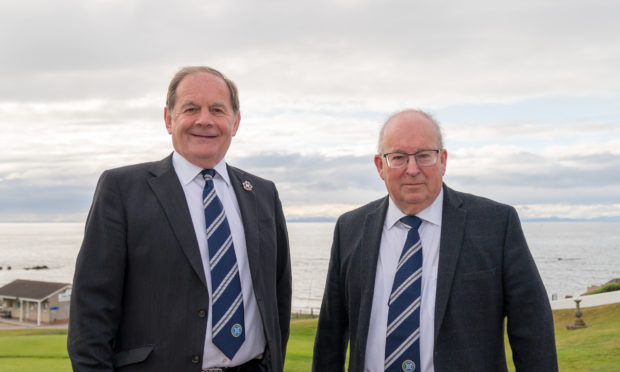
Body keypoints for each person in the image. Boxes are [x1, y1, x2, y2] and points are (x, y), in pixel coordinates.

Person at [68, 66, 292, 371]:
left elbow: (278, 297)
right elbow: (91, 312)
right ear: (168, 119)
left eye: (217, 109)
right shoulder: (122, 190)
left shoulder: (263, 193)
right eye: (191, 108)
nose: (204, 120)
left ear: (235, 122)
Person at [313, 110, 558, 371]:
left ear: (442, 160)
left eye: (423, 155)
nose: (412, 169)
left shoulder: (496, 224)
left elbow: (532, 329)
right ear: (380, 166)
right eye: (398, 157)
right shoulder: (350, 228)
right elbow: (331, 334)